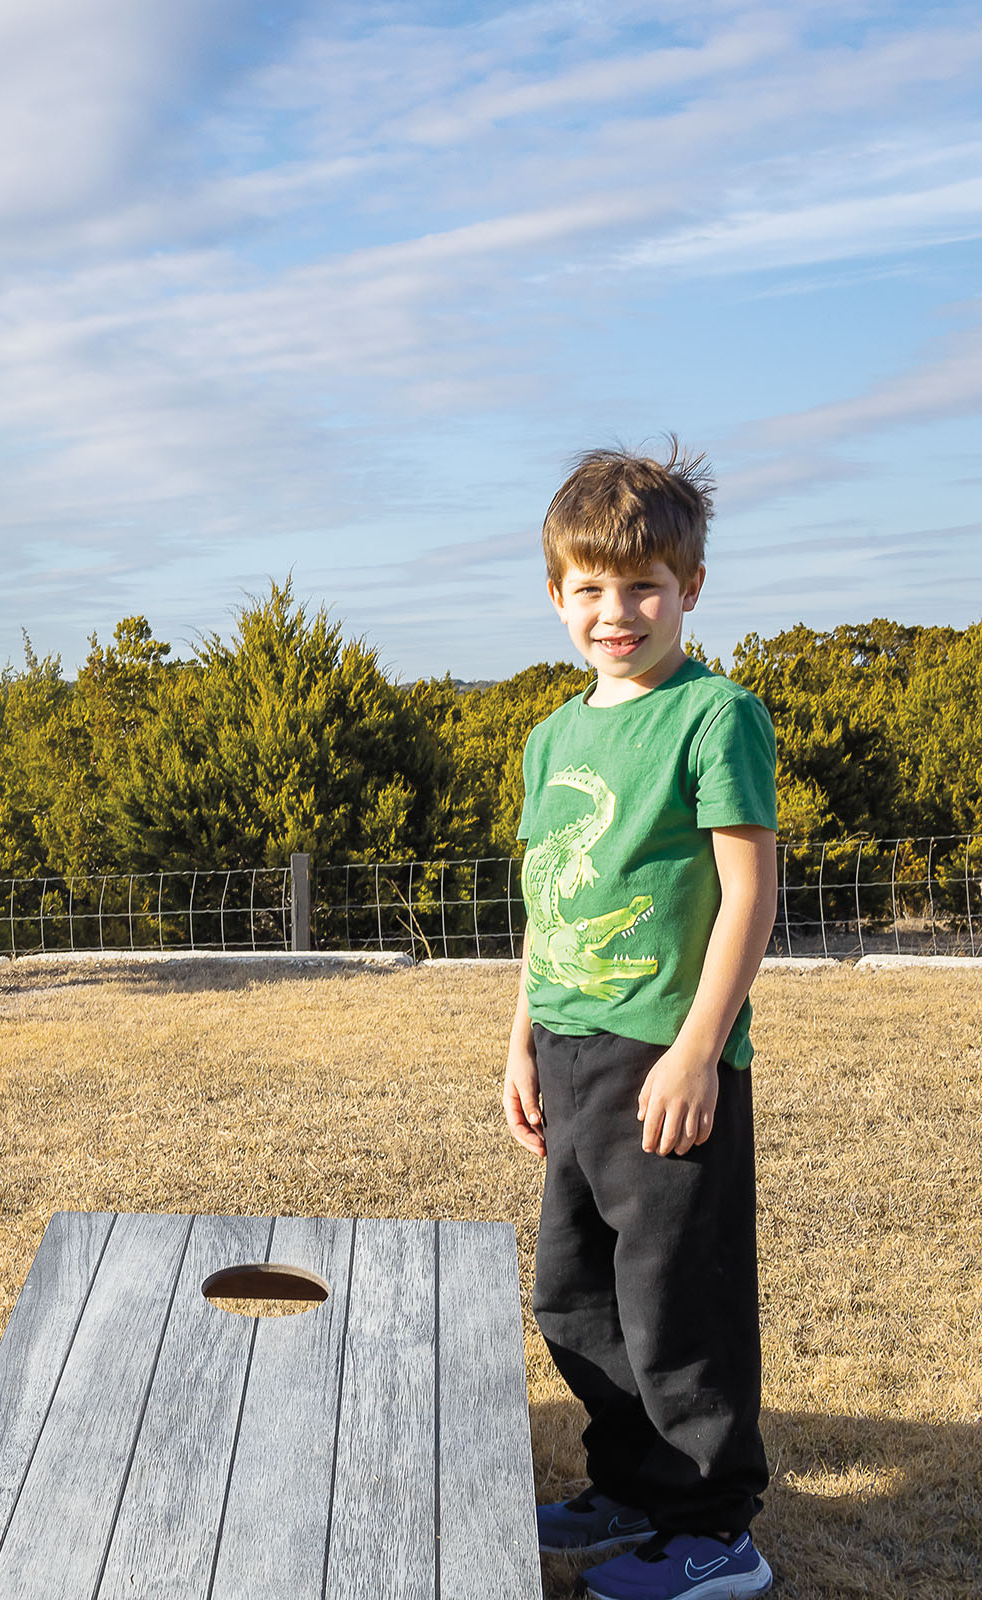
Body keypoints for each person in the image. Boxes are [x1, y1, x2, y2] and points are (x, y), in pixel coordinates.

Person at [502, 444, 779, 1600]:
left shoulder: (717, 716)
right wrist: (519, 1038)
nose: (616, 613)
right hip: (570, 1054)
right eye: (591, 590)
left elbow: (751, 892)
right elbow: (547, 895)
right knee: (578, 1294)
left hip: (668, 1059)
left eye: (644, 587)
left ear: (692, 589)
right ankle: (628, 1488)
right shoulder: (554, 736)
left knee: (679, 1300)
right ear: (557, 594)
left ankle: (717, 1529)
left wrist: (698, 1049)